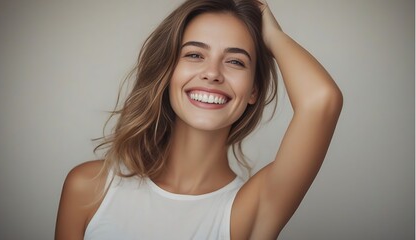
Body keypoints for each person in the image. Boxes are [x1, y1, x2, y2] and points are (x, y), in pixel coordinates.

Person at [55, 0, 343, 239]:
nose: (212, 73)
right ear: (167, 72)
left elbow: (322, 101)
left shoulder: (248, 210)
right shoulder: (88, 187)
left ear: (253, 90)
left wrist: (272, 35)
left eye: (235, 61)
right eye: (194, 54)